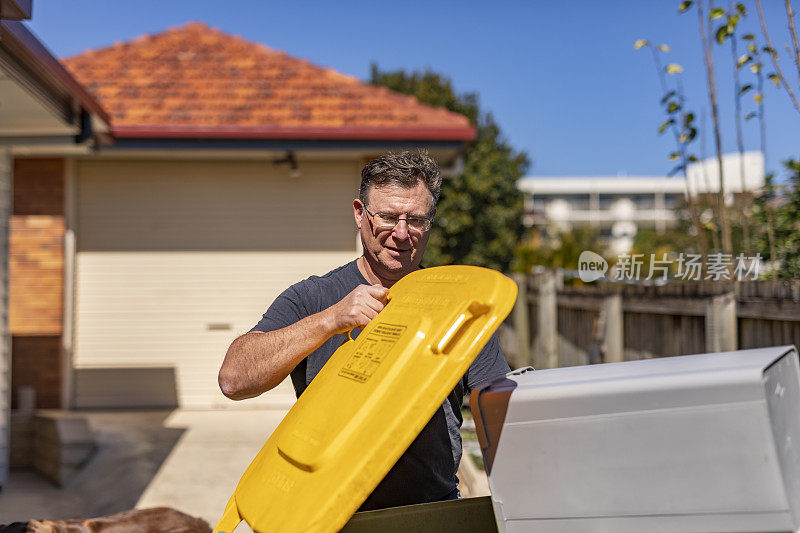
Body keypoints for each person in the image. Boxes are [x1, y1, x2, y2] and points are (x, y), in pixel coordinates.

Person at [218, 150, 510, 510]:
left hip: (432, 508)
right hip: (330, 513)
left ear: (430, 220)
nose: (401, 234)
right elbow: (234, 378)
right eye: (387, 217)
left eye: (415, 220)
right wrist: (332, 320)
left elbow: (502, 418)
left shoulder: (458, 306)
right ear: (360, 214)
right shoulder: (314, 297)